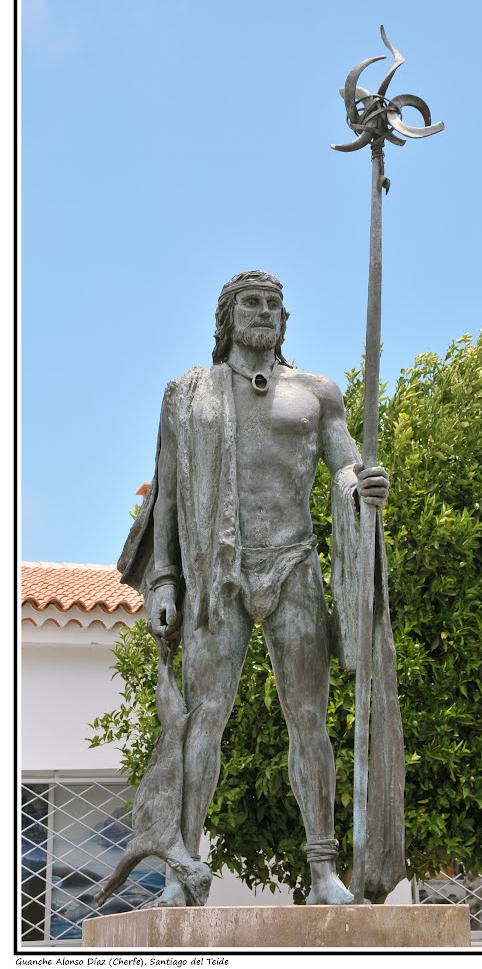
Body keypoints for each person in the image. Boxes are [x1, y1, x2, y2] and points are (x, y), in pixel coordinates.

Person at [116, 270, 405, 907]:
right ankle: (181, 868)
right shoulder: (189, 396)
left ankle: (324, 872)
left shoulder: (317, 393)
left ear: (285, 318)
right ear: (227, 316)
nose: (265, 311)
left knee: (309, 722)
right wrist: (164, 578)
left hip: (294, 564)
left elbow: (348, 467)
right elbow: (164, 497)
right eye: (251, 302)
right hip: (218, 571)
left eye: (274, 304)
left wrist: (365, 488)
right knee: (203, 721)